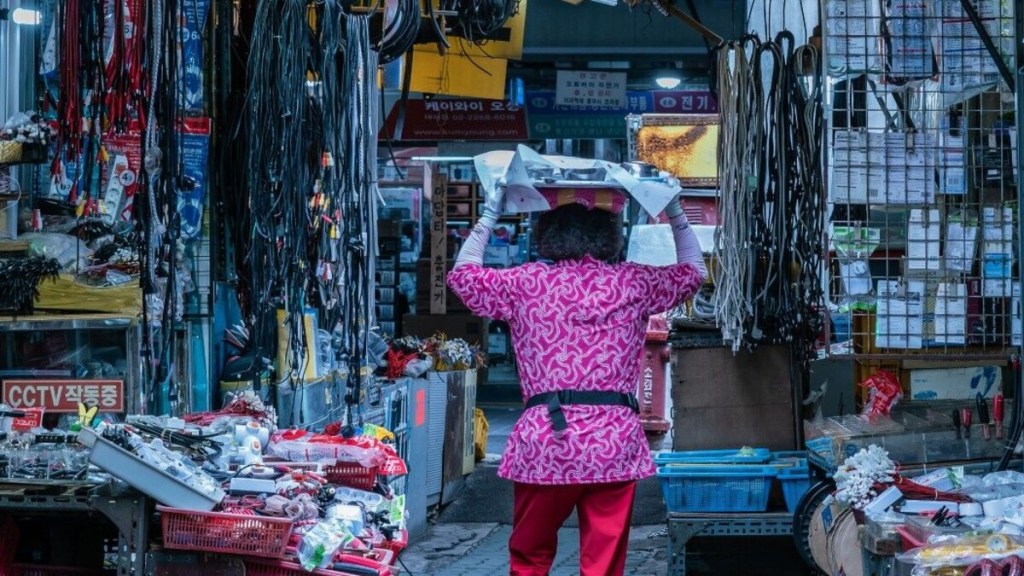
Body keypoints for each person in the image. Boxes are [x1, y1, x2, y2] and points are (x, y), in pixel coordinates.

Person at [447, 185, 707, 576]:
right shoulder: (632, 283)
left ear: (548, 236)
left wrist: (489, 214)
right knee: (603, 565)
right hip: (614, 442)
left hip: (547, 441)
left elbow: (463, 276)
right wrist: (674, 211)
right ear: (608, 238)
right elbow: (694, 272)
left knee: (529, 557)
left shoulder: (526, 283)